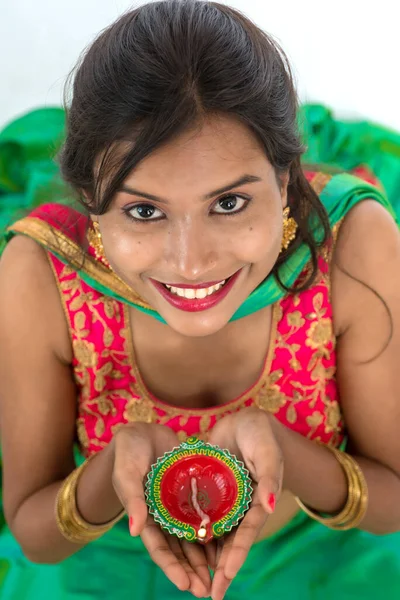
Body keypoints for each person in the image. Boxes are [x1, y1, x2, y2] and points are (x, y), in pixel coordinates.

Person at [1, 1, 400, 599]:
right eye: (143, 211)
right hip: (107, 557)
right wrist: (111, 471)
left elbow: (391, 501)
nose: (191, 262)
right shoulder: (40, 275)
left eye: (230, 203)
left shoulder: (354, 250)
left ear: (285, 180)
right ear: (90, 200)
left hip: (322, 555)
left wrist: (288, 453)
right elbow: (34, 534)